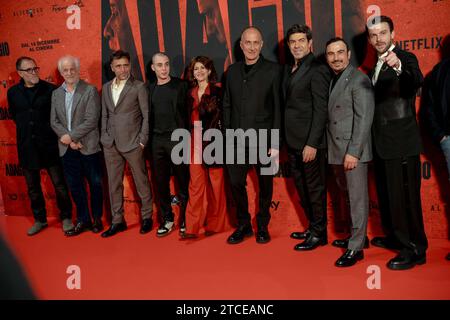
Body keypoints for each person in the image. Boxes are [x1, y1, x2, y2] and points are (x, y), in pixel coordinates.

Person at [367, 16, 428, 270]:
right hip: (381, 142)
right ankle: (395, 235)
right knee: (388, 194)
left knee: (406, 197)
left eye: (383, 33)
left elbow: (415, 80)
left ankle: (414, 249)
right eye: (374, 35)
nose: (378, 39)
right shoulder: (375, 65)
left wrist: (400, 65)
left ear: (393, 33)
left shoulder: (405, 57)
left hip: (402, 141)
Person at [223, 26, 281, 244]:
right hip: (236, 141)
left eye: (256, 43)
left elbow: (278, 108)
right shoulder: (232, 72)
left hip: (264, 140)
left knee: (265, 185)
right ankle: (244, 225)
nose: (252, 47)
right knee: (236, 182)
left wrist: (275, 142)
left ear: (262, 45)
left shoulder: (273, 71)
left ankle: (263, 226)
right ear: (241, 45)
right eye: (248, 42)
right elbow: (227, 105)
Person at [7, 56, 73, 236]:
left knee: (59, 185)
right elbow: (15, 116)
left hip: (50, 146)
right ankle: (40, 219)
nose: (34, 72)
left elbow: (60, 117)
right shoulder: (12, 93)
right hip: (27, 147)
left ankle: (66, 217)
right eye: (29, 70)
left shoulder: (51, 90)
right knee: (33, 188)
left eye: (35, 68)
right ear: (20, 73)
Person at [325, 38, 374, 267]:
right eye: (331, 54)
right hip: (337, 150)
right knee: (348, 197)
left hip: (352, 151)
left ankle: (355, 248)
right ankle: (359, 238)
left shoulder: (358, 79)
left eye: (340, 52)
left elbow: (364, 119)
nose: (336, 57)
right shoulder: (334, 79)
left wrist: (354, 151)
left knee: (357, 199)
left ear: (349, 53)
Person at [282, 24, 330, 251]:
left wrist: (312, 143)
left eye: (301, 40)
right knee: (302, 188)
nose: (297, 45)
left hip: (310, 144)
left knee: (314, 189)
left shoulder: (317, 69)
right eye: (293, 42)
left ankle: (320, 233)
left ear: (310, 43)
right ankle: (313, 227)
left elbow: (321, 110)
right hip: (293, 142)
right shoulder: (290, 69)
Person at [100, 50, 153, 237]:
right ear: (112, 68)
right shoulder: (106, 88)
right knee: (114, 185)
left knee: (141, 182)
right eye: (119, 66)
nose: (123, 69)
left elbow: (147, 115)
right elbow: (105, 114)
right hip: (110, 144)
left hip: (133, 143)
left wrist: (142, 140)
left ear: (130, 66)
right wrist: (104, 137)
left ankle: (147, 218)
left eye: (126, 65)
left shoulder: (138, 87)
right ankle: (117, 221)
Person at [50, 55, 104, 236]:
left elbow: (91, 120)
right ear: (61, 73)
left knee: (95, 184)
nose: (69, 72)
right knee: (75, 187)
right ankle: (83, 219)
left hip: (87, 146)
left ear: (78, 69)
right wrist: (69, 141)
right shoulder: (56, 94)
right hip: (67, 150)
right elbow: (54, 121)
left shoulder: (89, 90)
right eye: (65, 70)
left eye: (72, 69)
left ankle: (97, 219)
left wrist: (71, 137)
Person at [180, 56, 231, 240]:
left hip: (213, 140)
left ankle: (216, 225)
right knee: (195, 185)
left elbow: (225, 116)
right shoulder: (189, 93)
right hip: (193, 140)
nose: (199, 71)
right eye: (196, 69)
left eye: (203, 68)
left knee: (216, 185)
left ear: (209, 71)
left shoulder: (217, 91)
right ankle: (192, 227)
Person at [148, 52, 190, 237]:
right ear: (153, 68)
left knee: (183, 181)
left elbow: (188, 113)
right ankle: (167, 218)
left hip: (178, 139)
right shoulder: (149, 89)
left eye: (166, 64)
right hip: (157, 141)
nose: (164, 68)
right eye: (159, 65)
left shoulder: (181, 85)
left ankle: (185, 219)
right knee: (160, 183)